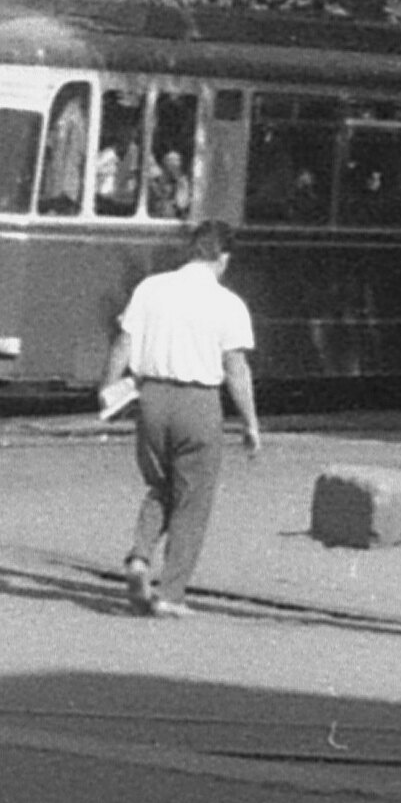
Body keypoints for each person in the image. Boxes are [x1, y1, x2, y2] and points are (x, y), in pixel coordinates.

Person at [110, 220, 262, 618]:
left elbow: (124, 342)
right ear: (223, 258)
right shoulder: (228, 304)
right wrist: (250, 423)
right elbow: (236, 368)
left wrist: (108, 388)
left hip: (152, 399)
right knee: (193, 500)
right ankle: (170, 594)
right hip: (198, 404)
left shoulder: (150, 288)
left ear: (192, 250)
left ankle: (140, 557)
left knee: (161, 486)